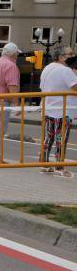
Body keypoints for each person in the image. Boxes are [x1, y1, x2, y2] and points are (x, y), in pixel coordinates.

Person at [40, 45, 77, 178]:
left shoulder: (47, 68)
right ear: (61, 57)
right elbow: (75, 86)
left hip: (49, 108)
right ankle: (60, 168)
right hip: (63, 110)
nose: (73, 56)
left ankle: (44, 164)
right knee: (61, 139)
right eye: (70, 54)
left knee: (48, 138)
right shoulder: (65, 71)